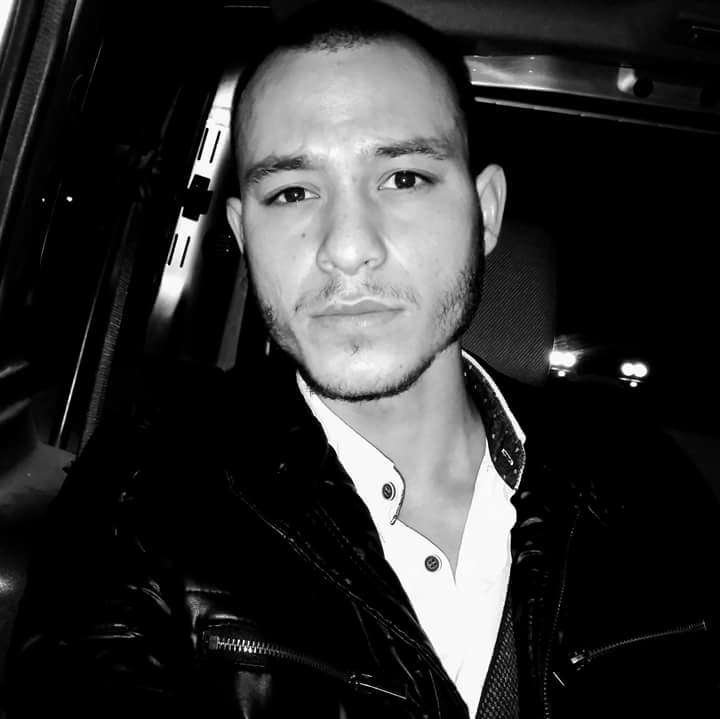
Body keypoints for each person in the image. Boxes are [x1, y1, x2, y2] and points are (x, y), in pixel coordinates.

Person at [6, 2, 719, 717]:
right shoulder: (144, 496)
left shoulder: (648, 485)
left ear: (485, 212)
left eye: (403, 178)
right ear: (244, 237)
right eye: (292, 193)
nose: (347, 249)